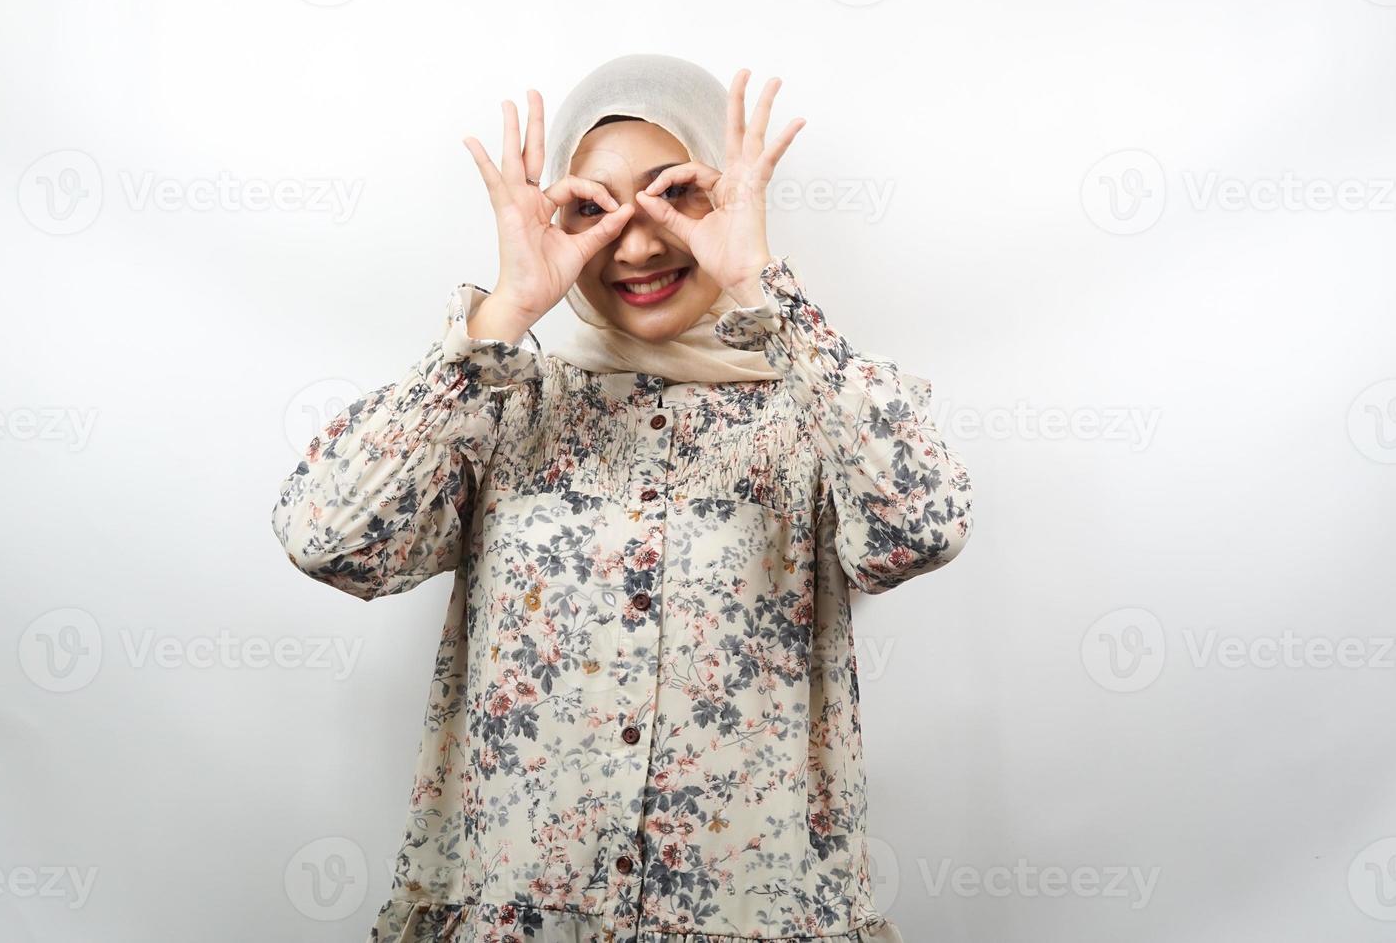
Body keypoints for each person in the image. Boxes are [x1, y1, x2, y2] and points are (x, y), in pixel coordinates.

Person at [271, 53, 973, 943]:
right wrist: (505, 313)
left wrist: (762, 285)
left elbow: (922, 531)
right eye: (594, 209)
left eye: (677, 196)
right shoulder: (506, 405)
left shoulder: (814, 412)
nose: (637, 246)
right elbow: (328, 540)